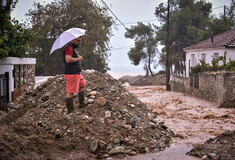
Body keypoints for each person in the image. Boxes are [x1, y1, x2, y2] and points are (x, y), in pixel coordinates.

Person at [63, 36, 87, 114]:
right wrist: (78, 59)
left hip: (76, 73)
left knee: (82, 85)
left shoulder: (72, 48)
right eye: (78, 41)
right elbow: (68, 59)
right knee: (70, 92)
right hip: (71, 73)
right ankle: (70, 111)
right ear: (72, 39)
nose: (79, 43)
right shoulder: (69, 48)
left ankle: (82, 104)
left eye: (80, 41)